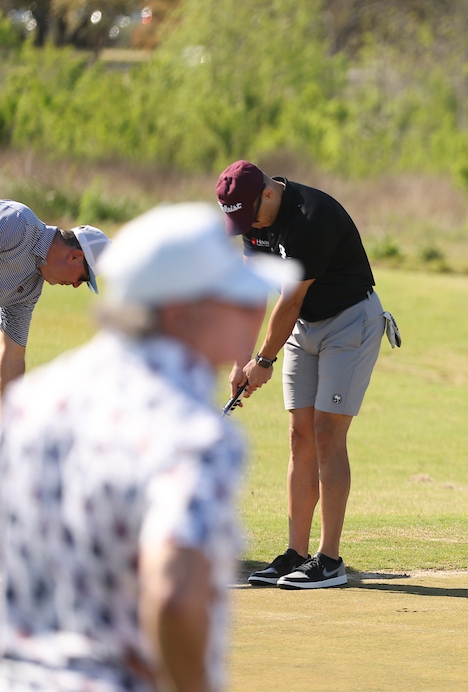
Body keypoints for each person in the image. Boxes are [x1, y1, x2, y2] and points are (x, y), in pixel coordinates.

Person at [0, 203, 295, 692]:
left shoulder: (28, 407)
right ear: (182, 312)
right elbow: (176, 594)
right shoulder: (193, 435)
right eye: (234, 301)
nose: (249, 314)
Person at [216, 160, 390, 589]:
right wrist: (243, 359)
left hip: (349, 322)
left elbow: (290, 300)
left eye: (250, 215)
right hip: (301, 328)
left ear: (269, 194)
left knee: (328, 432)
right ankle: (295, 552)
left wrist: (265, 360)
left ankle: (329, 560)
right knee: (300, 435)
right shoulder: (255, 224)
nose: (249, 226)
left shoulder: (313, 216)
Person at [0, 199, 110, 397]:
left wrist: (9, 417)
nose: (76, 285)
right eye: (83, 278)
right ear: (75, 256)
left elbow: (13, 355)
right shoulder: (18, 223)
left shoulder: (30, 289)